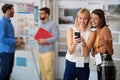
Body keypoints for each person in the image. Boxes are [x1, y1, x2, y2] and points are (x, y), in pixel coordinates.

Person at [63, 8, 96, 80]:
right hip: (71, 63)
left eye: (85, 18)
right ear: (77, 18)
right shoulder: (70, 30)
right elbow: (70, 51)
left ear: (88, 20)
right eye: (80, 18)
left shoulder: (92, 33)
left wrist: (83, 42)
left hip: (84, 64)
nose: (82, 21)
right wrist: (74, 43)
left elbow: (86, 54)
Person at [91, 9, 116, 80]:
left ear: (101, 20)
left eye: (95, 19)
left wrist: (107, 43)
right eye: (91, 18)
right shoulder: (94, 31)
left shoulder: (105, 30)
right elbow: (93, 53)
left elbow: (111, 52)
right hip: (98, 61)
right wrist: (98, 50)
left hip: (106, 62)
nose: (92, 20)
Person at [0, 4, 23, 80]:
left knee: (8, 72)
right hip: (5, 52)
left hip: (10, 51)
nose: (14, 11)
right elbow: (2, 38)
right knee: (5, 73)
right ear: (8, 11)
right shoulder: (2, 22)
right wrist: (15, 40)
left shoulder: (9, 22)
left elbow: (8, 36)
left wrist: (17, 39)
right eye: (13, 9)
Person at [37, 7, 59, 80]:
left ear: (46, 15)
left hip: (48, 52)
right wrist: (39, 40)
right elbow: (39, 37)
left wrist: (45, 40)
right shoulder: (41, 25)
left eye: (41, 13)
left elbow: (56, 37)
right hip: (40, 52)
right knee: (43, 73)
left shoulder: (52, 24)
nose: (39, 15)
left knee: (48, 72)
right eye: (39, 13)